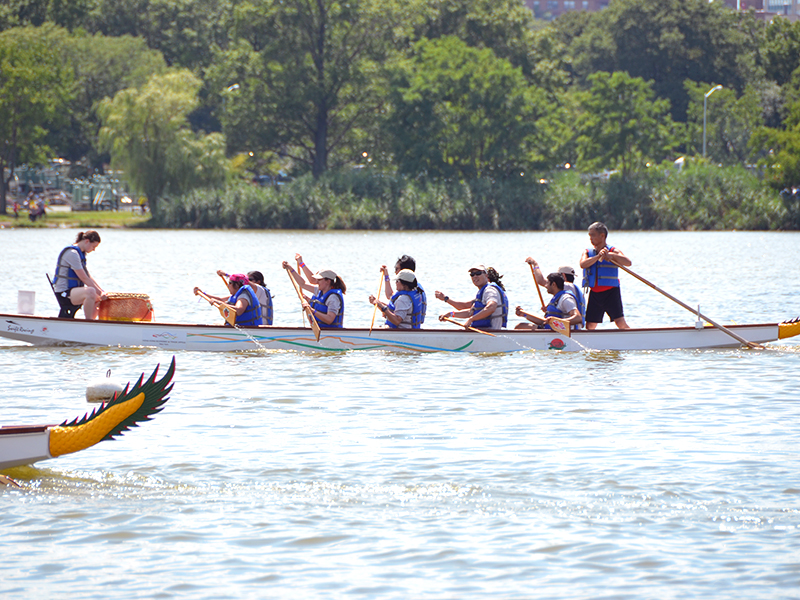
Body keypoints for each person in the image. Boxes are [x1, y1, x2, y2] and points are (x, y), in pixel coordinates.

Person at [579, 221, 631, 330]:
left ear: (602, 236)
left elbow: (627, 262)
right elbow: (583, 264)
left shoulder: (613, 250)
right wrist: (598, 257)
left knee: (620, 322)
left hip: (611, 292)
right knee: (590, 325)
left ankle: (633, 338)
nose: (591, 239)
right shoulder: (588, 252)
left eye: (593, 235)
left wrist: (611, 256)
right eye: (590, 236)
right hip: (595, 293)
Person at [52, 230, 106, 319]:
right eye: (93, 246)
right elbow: (84, 278)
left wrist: (102, 292)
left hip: (73, 291)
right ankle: (88, 322)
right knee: (91, 292)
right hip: (64, 292)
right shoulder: (72, 254)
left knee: (97, 297)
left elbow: (88, 277)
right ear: (87, 241)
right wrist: (100, 293)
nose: (94, 249)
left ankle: (93, 321)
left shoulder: (80, 254)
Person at [435, 265, 508, 330]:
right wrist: (450, 314)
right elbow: (470, 312)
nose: (475, 276)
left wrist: (471, 319)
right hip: (481, 332)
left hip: (490, 333)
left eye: (478, 273)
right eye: (472, 274)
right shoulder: (483, 292)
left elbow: (491, 307)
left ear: (486, 276)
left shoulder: (489, 290)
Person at [283, 259, 346, 328]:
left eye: (319, 280)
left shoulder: (333, 298)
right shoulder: (319, 290)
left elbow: (329, 319)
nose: (317, 282)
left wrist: (311, 310)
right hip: (320, 329)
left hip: (331, 332)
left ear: (328, 281)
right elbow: (303, 284)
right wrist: (290, 268)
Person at [525, 257, 585, 327]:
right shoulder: (574, 290)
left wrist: (535, 265)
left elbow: (541, 281)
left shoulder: (567, 286)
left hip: (568, 328)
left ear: (563, 276)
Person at [515, 272, 581, 330]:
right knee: (520, 326)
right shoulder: (556, 298)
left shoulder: (566, 299)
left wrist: (557, 322)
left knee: (520, 327)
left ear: (553, 284)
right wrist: (524, 314)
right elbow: (544, 322)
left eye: (547, 283)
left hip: (560, 333)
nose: (546, 286)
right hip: (550, 331)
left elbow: (578, 318)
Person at [194, 273, 262, 327]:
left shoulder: (243, 296)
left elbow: (239, 310)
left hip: (248, 329)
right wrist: (202, 293)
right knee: (216, 323)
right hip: (241, 327)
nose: (228, 286)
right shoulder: (237, 295)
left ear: (238, 285)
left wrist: (221, 303)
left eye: (230, 283)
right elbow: (220, 299)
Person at [380, 255, 427, 324]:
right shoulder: (412, 288)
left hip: (406, 327)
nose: (395, 272)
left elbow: (392, 297)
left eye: (396, 269)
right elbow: (391, 297)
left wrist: (383, 308)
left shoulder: (407, 294)